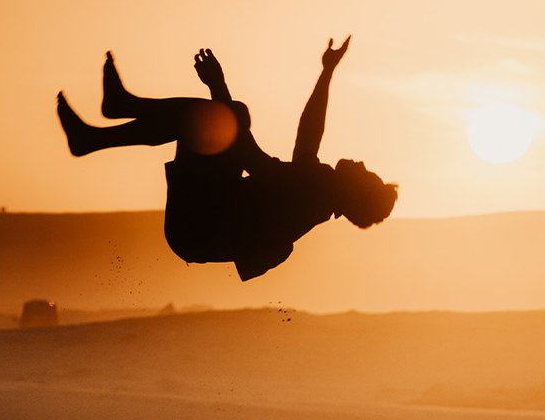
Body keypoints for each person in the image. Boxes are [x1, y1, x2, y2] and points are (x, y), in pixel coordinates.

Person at [56, 38, 397, 280]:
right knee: (233, 113)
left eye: (368, 175)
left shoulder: (316, 194)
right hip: (207, 215)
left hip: (197, 224)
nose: (363, 165)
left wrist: (218, 85)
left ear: (355, 192)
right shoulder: (322, 189)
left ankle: (99, 130)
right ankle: (116, 112)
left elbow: (254, 161)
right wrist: (327, 71)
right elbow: (309, 134)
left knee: (213, 114)